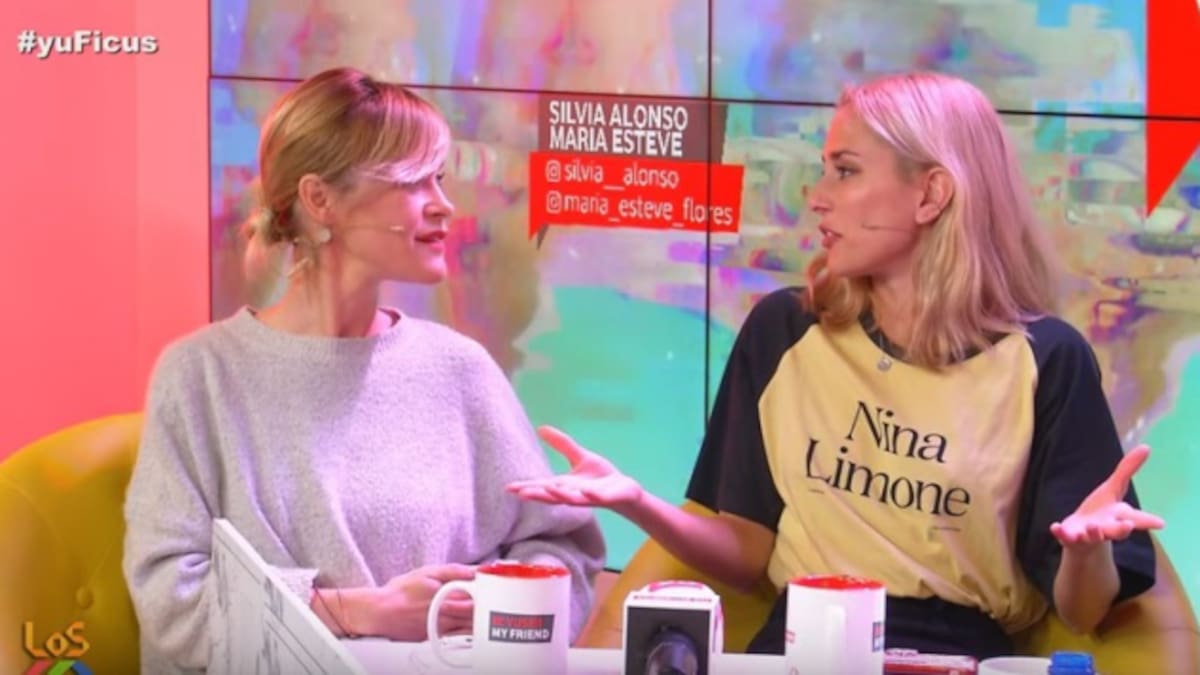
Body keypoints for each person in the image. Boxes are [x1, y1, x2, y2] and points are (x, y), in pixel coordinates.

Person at [507, 71, 1163, 659]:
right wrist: (635, 500)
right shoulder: (784, 330)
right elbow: (746, 554)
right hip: (795, 647)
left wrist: (1087, 552)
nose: (817, 198)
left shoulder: (1047, 361)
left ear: (931, 194)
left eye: (845, 171)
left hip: (950, 655)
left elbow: (1083, 611)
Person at [122, 66, 605, 674]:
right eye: (414, 182)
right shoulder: (200, 376)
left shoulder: (459, 368)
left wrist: (496, 615)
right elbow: (171, 601)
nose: (443, 205)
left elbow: (561, 548)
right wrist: (361, 612)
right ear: (320, 199)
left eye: (440, 179)